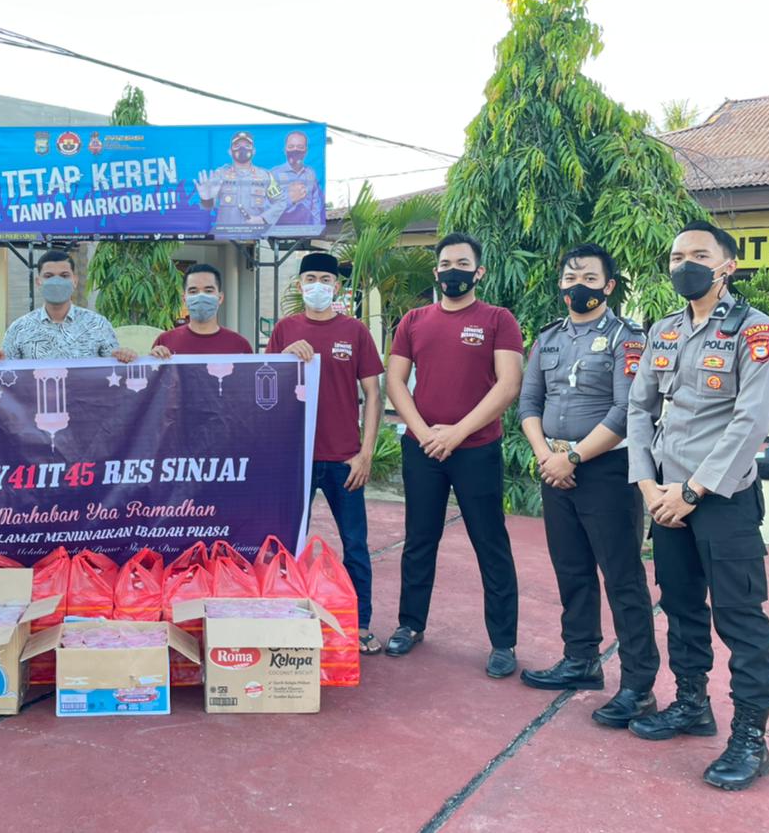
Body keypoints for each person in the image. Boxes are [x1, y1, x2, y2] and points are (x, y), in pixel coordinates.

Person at [626, 220, 769, 791]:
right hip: (666, 497)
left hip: (722, 499)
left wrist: (693, 491)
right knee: (682, 606)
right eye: (676, 256)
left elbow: (751, 420)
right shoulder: (664, 331)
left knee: (739, 616)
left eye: (698, 255)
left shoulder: (755, 330)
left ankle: (751, 737)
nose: (684, 265)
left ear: (727, 266)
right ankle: (692, 704)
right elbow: (639, 408)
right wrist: (648, 486)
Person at [517, 244, 660, 727]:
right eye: (570, 277)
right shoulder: (548, 338)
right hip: (554, 466)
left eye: (589, 278)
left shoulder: (626, 337)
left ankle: (638, 686)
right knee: (571, 569)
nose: (578, 285)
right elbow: (528, 403)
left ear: (609, 286)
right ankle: (580, 660)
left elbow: (626, 409)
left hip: (605, 471)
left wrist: (573, 457)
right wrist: (547, 457)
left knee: (622, 578)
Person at [384, 232, 523, 678]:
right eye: (445, 264)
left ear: (479, 272)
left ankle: (503, 642)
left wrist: (458, 433)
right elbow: (395, 381)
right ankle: (410, 624)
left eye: (462, 264)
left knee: (490, 542)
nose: (453, 272)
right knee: (419, 539)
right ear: (436, 271)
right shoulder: (414, 320)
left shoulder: (498, 319)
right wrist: (425, 433)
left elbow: (508, 385)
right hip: (423, 448)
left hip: (476, 450)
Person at [267, 251, 384, 655]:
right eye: (310, 278)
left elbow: (373, 394)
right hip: (295, 461)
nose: (317, 285)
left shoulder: (354, 331)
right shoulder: (285, 330)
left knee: (355, 545)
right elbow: (264, 386)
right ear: (299, 284)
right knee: (285, 546)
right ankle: (282, 617)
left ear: (337, 286)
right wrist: (284, 357)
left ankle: (360, 623)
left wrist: (366, 453)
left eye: (325, 279)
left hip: (344, 460)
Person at [0, 249, 136, 362]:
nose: (56, 282)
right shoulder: (19, 329)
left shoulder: (98, 325)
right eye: (49, 276)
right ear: (38, 282)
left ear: (75, 281)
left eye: (64, 276)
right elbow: (4, 374)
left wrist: (125, 357)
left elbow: (114, 368)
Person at [150, 263, 252, 357]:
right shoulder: (165, 342)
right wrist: (152, 359)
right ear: (184, 299)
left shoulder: (240, 346)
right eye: (193, 291)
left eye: (208, 291)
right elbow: (151, 370)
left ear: (220, 298)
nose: (201, 296)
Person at [196, 131, 285, 237]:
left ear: (254, 151)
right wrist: (206, 199)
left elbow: (281, 201)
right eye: (237, 146)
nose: (242, 149)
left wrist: (263, 219)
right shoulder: (219, 174)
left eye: (247, 146)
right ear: (230, 151)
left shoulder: (265, 176)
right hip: (225, 239)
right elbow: (208, 208)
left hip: (254, 238)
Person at [268, 130, 323, 232]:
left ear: (306, 151)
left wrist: (317, 230)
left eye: (300, 147)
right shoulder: (274, 174)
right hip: (280, 232)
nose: (295, 150)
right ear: (285, 150)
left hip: (305, 232)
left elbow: (315, 206)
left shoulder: (311, 174)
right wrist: (290, 199)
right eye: (291, 146)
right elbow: (267, 208)